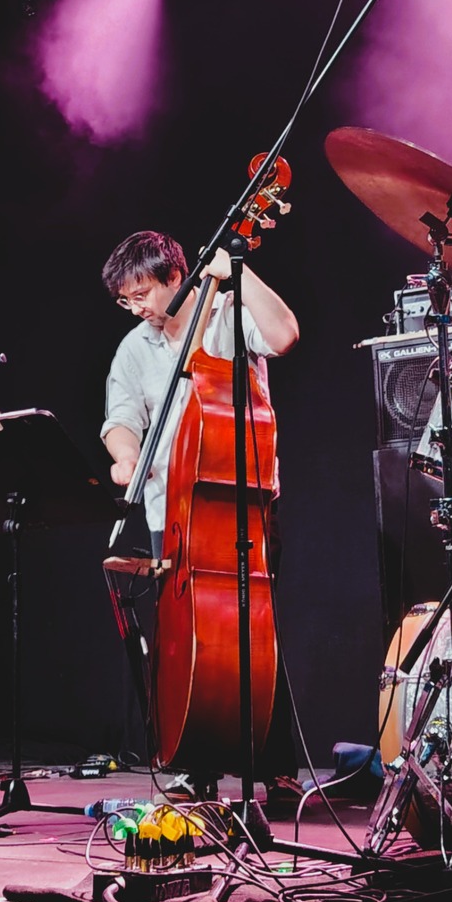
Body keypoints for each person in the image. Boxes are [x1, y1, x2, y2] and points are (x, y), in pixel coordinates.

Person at [99, 230, 301, 801]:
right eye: (125, 301)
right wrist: (125, 456)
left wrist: (239, 271)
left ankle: (274, 764)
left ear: (174, 276)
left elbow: (285, 336)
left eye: (141, 294)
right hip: (171, 512)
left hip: (245, 501)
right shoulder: (135, 347)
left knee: (253, 635)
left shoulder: (228, 314)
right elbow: (120, 418)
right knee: (183, 641)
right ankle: (193, 763)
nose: (136, 308)